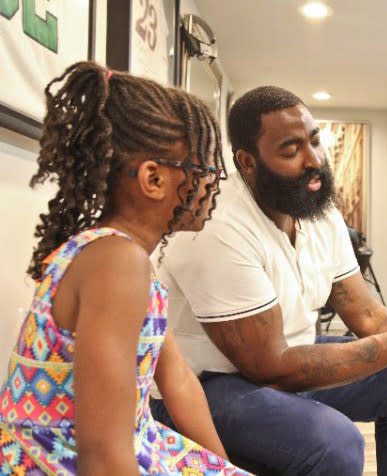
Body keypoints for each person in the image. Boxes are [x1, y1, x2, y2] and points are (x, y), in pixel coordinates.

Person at [150, 85, 387, 476]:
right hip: (208, 384)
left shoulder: (316, 210)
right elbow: (269, 366)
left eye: (315, 141)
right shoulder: (217, 222)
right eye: (290, 150)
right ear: (247, 161)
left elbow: (370, 317)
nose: (313, 161)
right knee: (334, 440)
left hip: (290, 354)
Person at [0, 61, 251, 476]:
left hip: (130, 443)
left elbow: (178, 380)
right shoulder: (115, 264)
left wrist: (221, 467)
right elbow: (101, 456)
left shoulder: (126, 258)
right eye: (206, 170)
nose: (214, 185)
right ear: (154, 179)